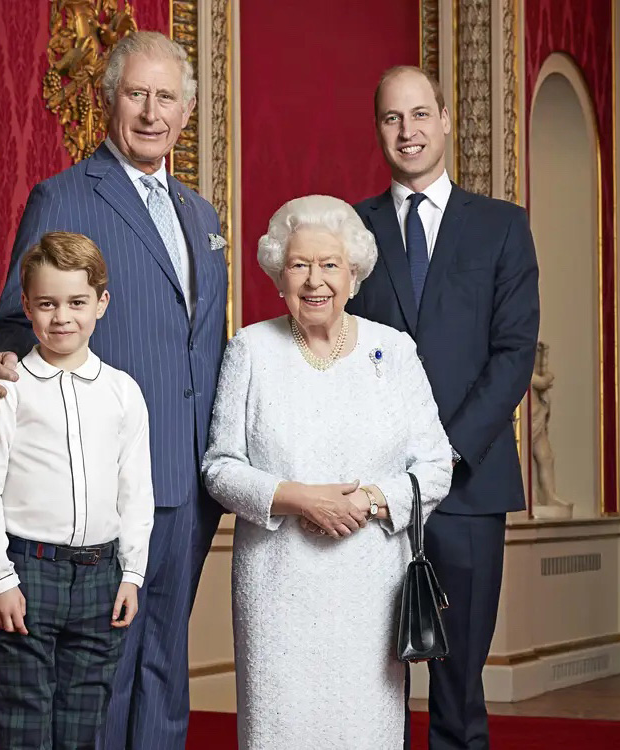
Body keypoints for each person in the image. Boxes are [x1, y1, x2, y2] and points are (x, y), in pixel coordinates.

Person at [0, 31, 228, 750]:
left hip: (191, 475)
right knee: (104, 671)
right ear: (110, 100)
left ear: (186, 112)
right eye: (136, 94)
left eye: (166, 97)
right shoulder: (63, 195)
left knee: (166, 663)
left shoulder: (201, 216)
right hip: (106, 477)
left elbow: (205, 344)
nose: (151, 112)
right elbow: (15, 320)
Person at [202, 195, 453, 749]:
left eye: (329, 265)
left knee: (363, 728)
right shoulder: (251, 349)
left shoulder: (395, 351)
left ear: (354, 271)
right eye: (299, 265)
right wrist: (299, 498)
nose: (315, 281)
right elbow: (219, 468)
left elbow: (436, 467)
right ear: (278, 272)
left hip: (370, 583)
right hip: (277, 583)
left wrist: (364, 500)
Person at [348, 65, 540, 750]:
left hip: (469, 483)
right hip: (372, 490)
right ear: (379, 129)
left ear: (447, 119)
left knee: (459, 682)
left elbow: (515, 353)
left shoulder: (502, 228)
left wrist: (447, 452)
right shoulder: (351, 231)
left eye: (421, 114)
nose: (409, 131)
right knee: (372, 678)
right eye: (393, 118)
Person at [0, 231, 155, 750]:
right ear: (26, 306)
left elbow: (135, 491)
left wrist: (132, 574)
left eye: (77, 302)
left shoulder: (122, 392)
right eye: (47, 304)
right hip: (29, 572)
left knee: (85, 713)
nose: (62, 317)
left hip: (102, 574)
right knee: (23, 711)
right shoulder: (9, 390)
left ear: (101, 303)